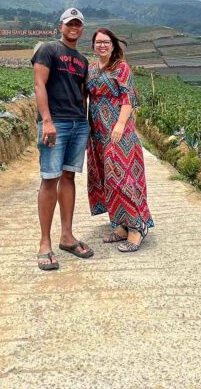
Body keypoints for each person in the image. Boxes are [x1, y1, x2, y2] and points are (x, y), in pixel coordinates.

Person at [32, 7, 94, 271]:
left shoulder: (82, 60)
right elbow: (39, 85)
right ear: (61, 26)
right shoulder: (48, 50)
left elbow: (83, 95)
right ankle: (44, 243)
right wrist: (46, 120)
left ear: (82, 29)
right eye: (70, 23)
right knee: (50, 178)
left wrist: (86, 124)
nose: (74, 27)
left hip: (78, 123)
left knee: (68, 177)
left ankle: (67, 236)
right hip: (55, 122)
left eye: (78, 24)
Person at [86, 27, 153, 252]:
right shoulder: (92, 68)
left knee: (121, 178)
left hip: (118, 131)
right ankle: (122, 225)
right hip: (98, 132)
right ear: (93, 45)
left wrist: (120, 124)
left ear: (113, 45)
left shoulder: (121, 68)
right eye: (98, 42)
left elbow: (128, 98)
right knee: (108, 178)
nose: (102, 45)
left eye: (106, 42)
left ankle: (137, 227)